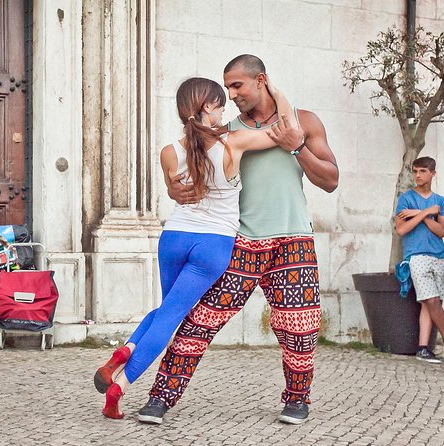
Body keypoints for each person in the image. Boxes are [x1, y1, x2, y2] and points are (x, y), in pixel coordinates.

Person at [137, 54, 339, 425]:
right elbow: (187, 172)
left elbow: (330, 180)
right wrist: (171, 188)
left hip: (294, 240)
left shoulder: (304, 122)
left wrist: (297, 146)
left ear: (261, 80)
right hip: (239, 242)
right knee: (200, 321)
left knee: (301, 329)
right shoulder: (224, 133)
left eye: (237, 85)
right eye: (226, 87)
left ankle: (297, 399)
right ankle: (161, 397)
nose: (230, 95)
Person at [94, 76, 298, 419]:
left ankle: (125, 351)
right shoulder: (234, 142)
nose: (225, 109)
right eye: (220, 104)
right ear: (207, 108)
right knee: (172, 316)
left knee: (166, 310)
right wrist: (275, 91)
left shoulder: (168, 152)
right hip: (213, 244)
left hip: (173, 237)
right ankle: (121, 386)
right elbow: (288, 130)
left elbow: (176, 192)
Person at [394, 156, 444, 363]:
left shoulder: (441, 201)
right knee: (430, 299)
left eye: (422, 171)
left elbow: (441, 231)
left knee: (431, 303)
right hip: (415, 255)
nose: (417, 175)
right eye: (415, 171)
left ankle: (423, 348)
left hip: (439, 255)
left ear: (433, 173)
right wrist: (426, 213)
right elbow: (402, 229)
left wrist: (420, 214)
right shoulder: (405, 199)